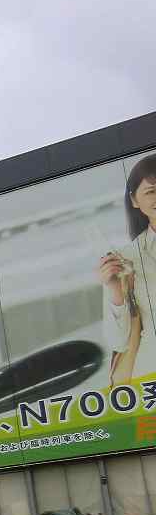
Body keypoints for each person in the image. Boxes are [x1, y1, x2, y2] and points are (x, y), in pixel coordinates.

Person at [99, 154, 156, 386]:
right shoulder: (126, 259)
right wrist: (116, 291)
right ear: (134, 200)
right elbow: (118, 342)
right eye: (151, 191)